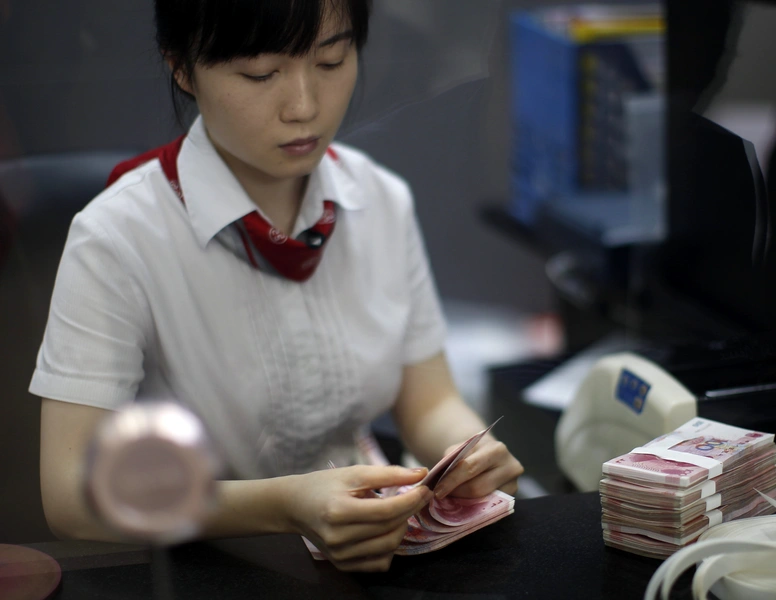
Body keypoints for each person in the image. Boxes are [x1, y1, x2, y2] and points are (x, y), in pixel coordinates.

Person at [32, 0, 522, 573]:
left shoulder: (379, 198)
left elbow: (428, 399)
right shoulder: (118, 237)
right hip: (204, 568)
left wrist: (466, 453)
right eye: (261, 75)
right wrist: (285, 505)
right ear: (182, 68)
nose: (304, 107)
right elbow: (72, 496)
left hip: (374, 545)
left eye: (332, 62)